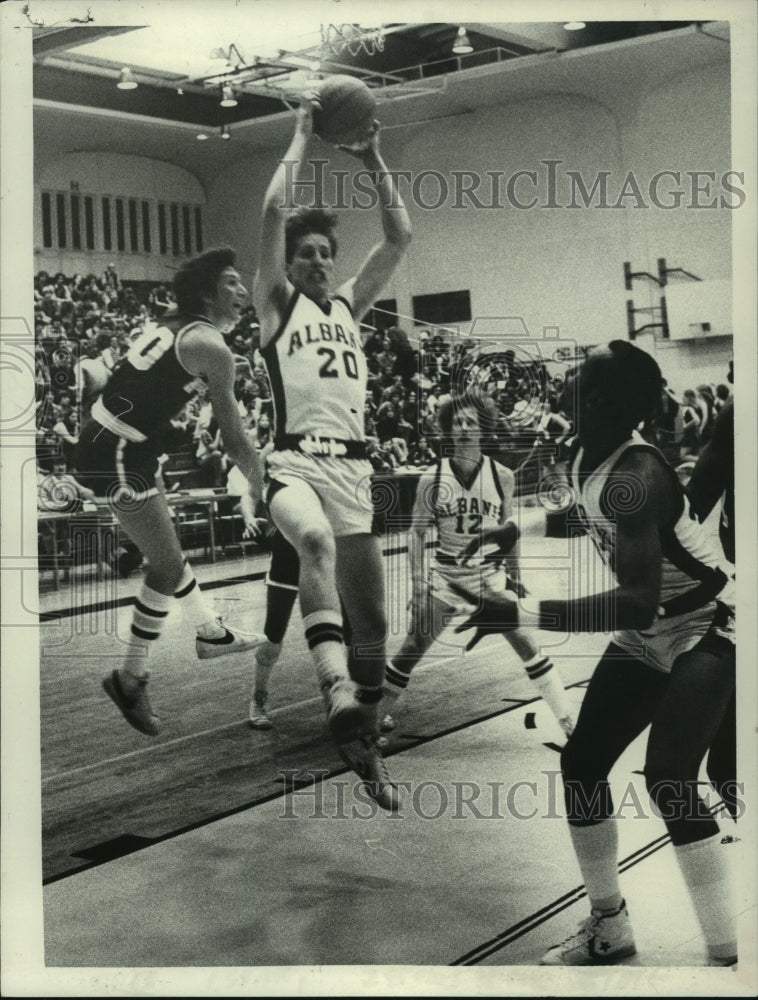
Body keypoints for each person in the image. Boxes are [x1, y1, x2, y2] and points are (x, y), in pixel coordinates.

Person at [455, 341, 737, 967]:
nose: (565, 384)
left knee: (669, 778)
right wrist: (519, 526)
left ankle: (728, 955)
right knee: (582, 763)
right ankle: (609, 924)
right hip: (654, 623)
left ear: (603, 400)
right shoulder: (587, 450)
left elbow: (636, 601)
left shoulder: (638, 476)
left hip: (708, 622)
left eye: (577, 378)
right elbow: (581, 510)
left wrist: (522, 613)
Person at [253, 96, 411, 809]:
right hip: (292, 462)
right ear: (287, 265)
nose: (317, 261)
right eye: (305, 254)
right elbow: (270, 213)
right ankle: (332, 685)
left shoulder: (348, 305)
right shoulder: (276, 306)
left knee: (374, 626)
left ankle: (365, 736)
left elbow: (400, 235)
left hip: (354, 467)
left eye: (324, 254)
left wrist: (373, 155)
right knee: (310, 539)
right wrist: (301, 136)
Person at [73, 248, 266, 736]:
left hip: (118, 441)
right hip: (116, 447)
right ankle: (166, 657)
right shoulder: (212, 349)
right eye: (231, 283)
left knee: (167, 561)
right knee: (167, 562)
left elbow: (150, 374)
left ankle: (173, 653)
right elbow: (236, 438)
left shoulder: (178, 326)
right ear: (207, 293)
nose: (243, 292)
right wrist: (260, 480)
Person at [379, 391, 575, 739]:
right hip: (447, 577)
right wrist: (419, 584)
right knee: (412, 648)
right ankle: (373, 719)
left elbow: (507, 531)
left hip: (488, 576)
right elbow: (416, 534)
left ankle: (567, 720)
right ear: (447, 430)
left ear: (483, 428)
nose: (465, 427)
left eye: (471, 421)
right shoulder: (433, 477)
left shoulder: (503, 476)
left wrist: (516, 576)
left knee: (526, 643)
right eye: (457, 422)